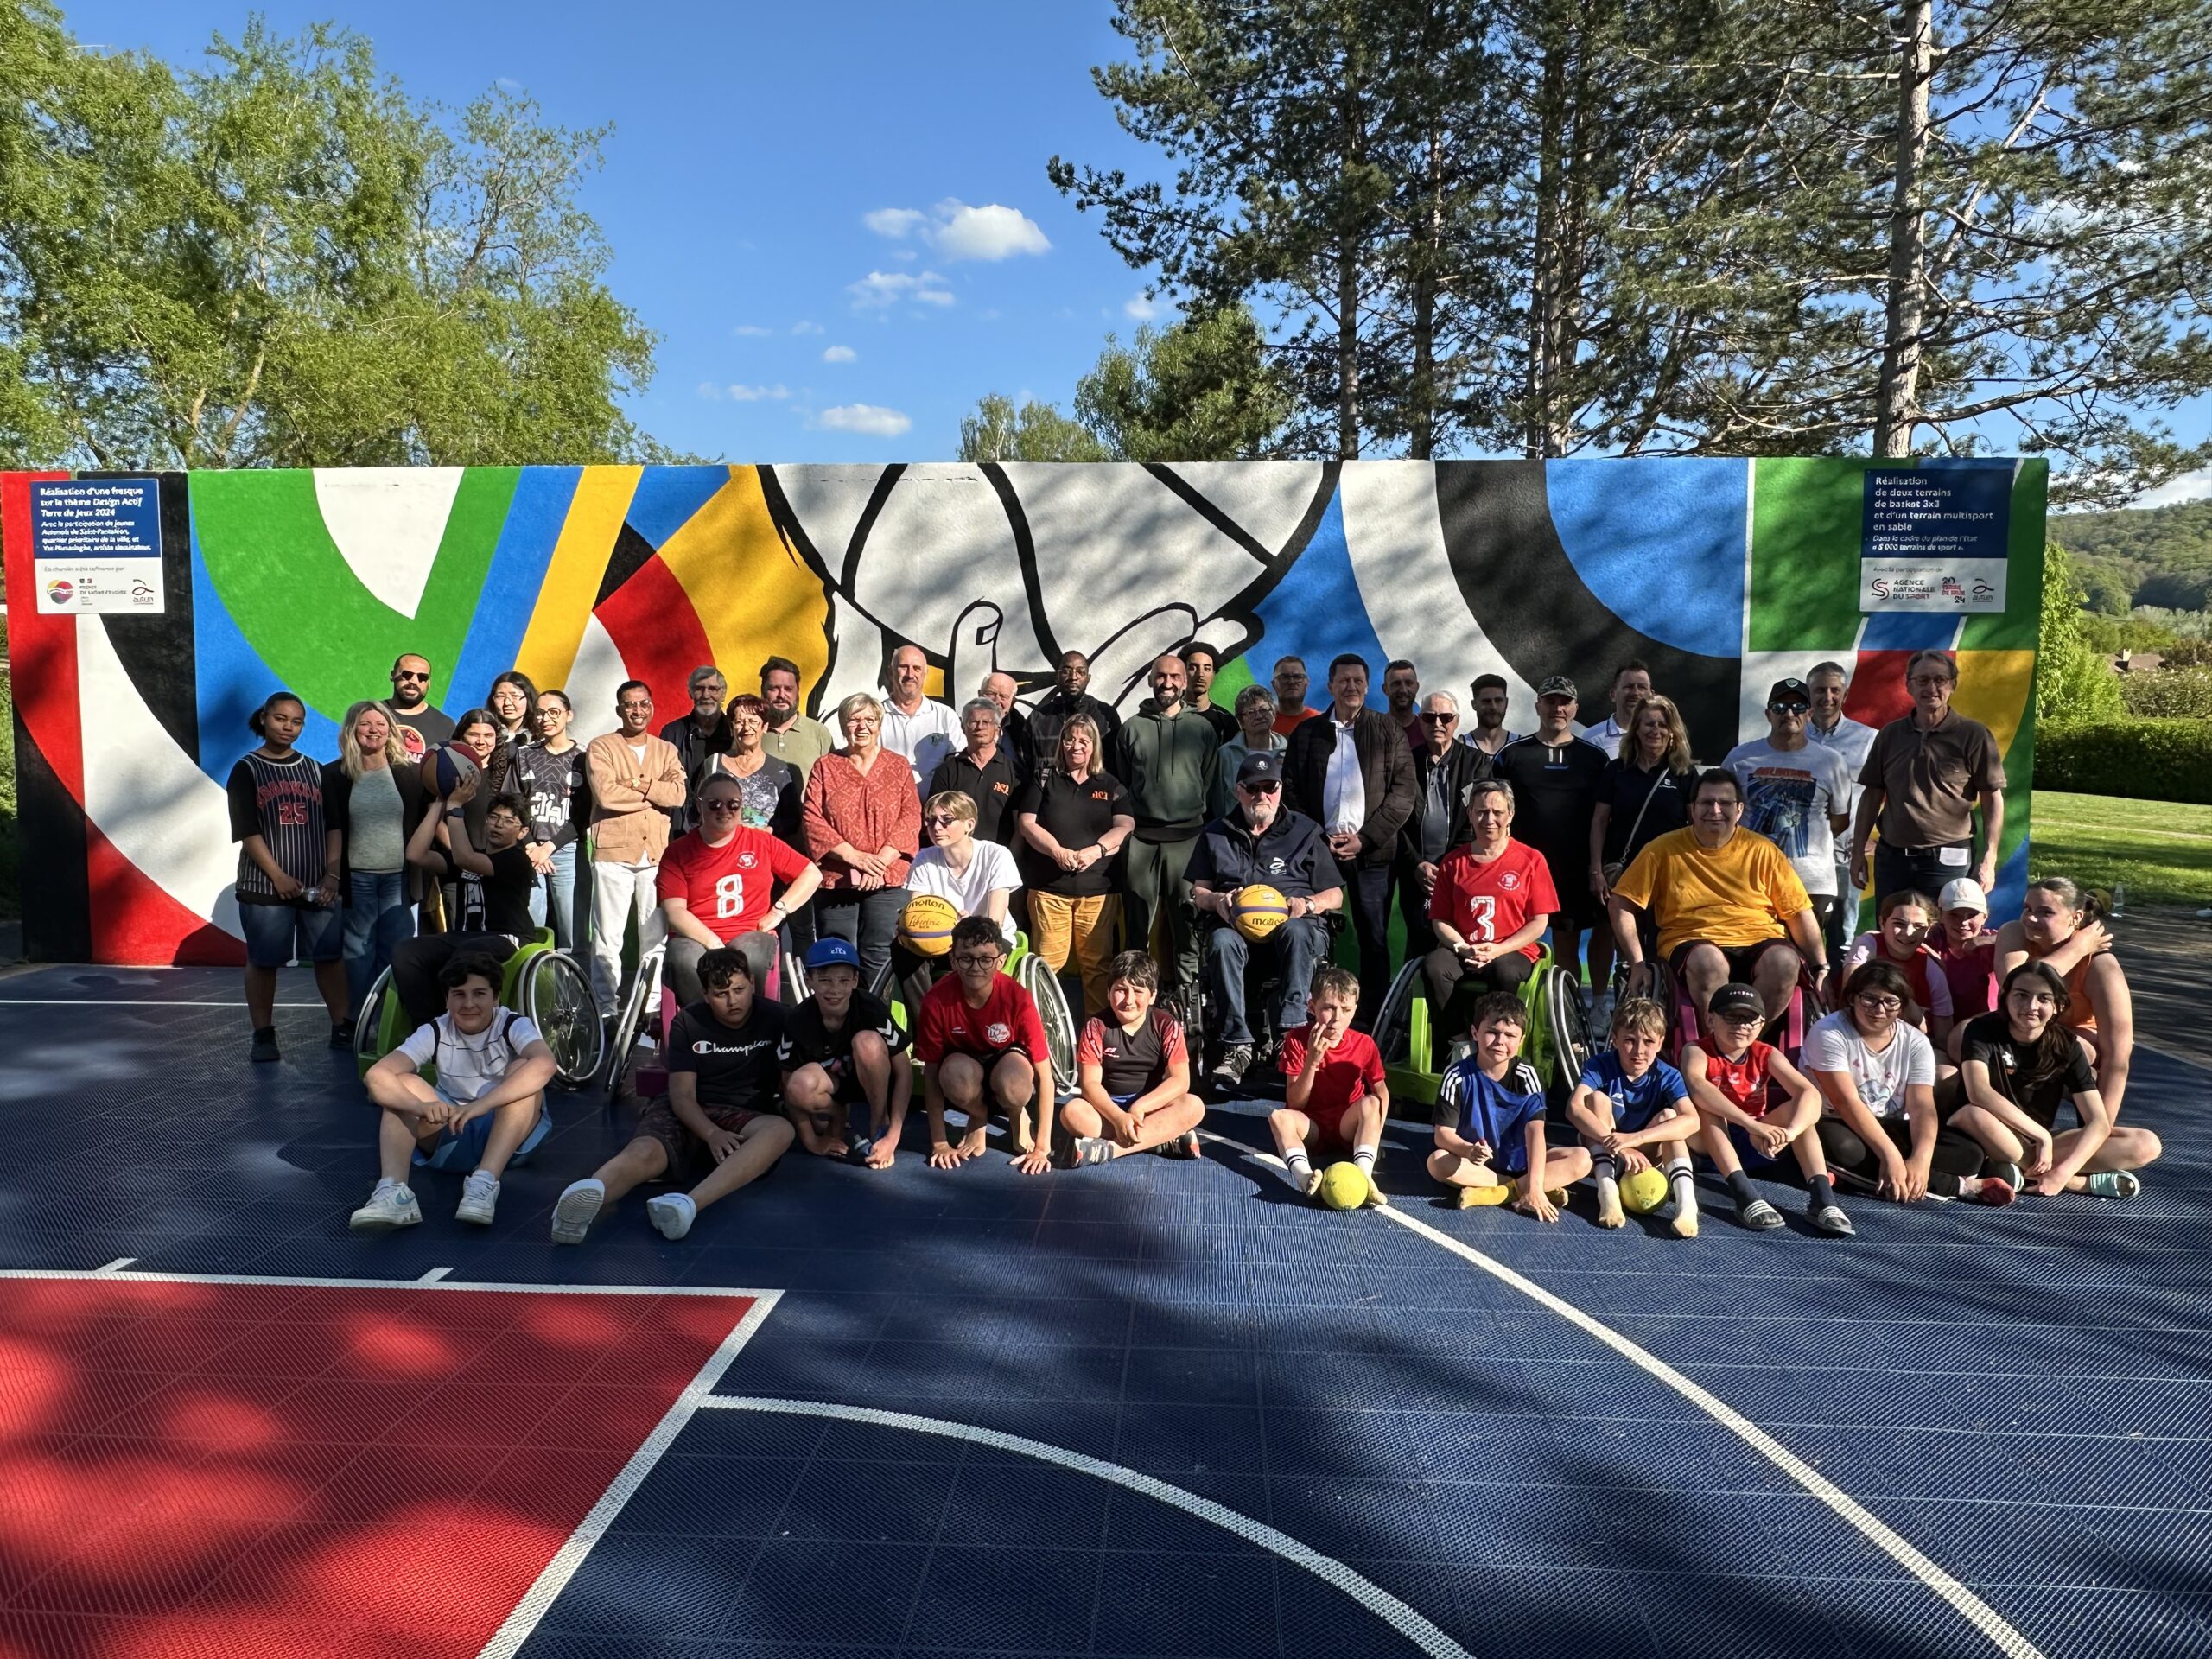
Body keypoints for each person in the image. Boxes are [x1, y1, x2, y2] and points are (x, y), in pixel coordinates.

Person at [550, 945, 796, 1245]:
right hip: (689, 1107)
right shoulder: (688, 1022)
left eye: (740, 990)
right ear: (705, 994)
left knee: (780, 1130)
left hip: (742, 1114)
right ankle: (584, 1199)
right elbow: (681, 1096)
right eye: (721, 994)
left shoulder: (780, 1017)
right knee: (643, 1152)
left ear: (753, 985)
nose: (733, 1001)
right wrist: (712, 1134)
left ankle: (687, 1206)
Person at [350, 952, 556, 1233]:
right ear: (447, 1000)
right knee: (403, 1083)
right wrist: (419, 1107)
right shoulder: (435, 1030)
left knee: (525, 1068)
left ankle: (485, 1181)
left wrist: (483, 1104)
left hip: (509, 1141)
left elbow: (546, 1064)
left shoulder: (512, 1024)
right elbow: (376, 1077)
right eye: (458, 994)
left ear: (496, 998)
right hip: (451, 1136)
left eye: (479, 993)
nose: (469, 1003)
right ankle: (394, 1193)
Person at [1608, 769, 1827, 1025]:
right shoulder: (1661, 850)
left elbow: (1798, 912)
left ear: (1740, 810)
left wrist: (1820, 967)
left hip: (1758, 938)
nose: (1715, 810)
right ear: (1692, 809)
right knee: (1707, 961)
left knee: (1785, 962)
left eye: (1725, 803)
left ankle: (1748, 1042)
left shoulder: (1763, 850)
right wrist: (1637, 964)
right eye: (1706, 802)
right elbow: (1620, 904)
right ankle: (1716, 1044)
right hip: (1692, 941)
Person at [1940, 962, 2162, 1199]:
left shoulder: (2067, 1045)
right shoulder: (1982, 1030)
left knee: (2146, 1143)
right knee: (1973, 1114)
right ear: (2005, 998)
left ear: (2057, 1005)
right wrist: (2043, 1137)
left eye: (2043, 999)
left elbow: (2098, 1122)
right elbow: (1979, 1092)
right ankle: (2080, 1184)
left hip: (2037, 1145)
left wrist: (2063, 1173)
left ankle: (2022, 1171)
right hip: (1990, 1129)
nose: (2031, 1006)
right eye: (2022, 996)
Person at [1186, 751, 1344, 1085]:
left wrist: (1308, 904)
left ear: (1280, 789)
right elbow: (1197, 893)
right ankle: (1237, 1044)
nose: (1262, 796)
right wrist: (1216, 901)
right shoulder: (1216, 832)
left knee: (1296, 931)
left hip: (1294, 926)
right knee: (1220, 940)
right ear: (1238, 791)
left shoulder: (1305, 830)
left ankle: (1292, 1032)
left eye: (1269, 787)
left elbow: (1335, 895)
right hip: (1237, 928)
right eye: (1253, 788)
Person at [1803, 959, 2005, 1205]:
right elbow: (1846, 1102)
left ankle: (1872, 1175)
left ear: (1902, 1006)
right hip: (1839, 1121)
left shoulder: (1915, 1042)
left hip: (1893, 1124)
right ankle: (1956, 1186)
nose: (1879, 1010)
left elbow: (1922, 1106)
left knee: (1969, 1154)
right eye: (1870, 999)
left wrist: (1921, 1158)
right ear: (1852, 998)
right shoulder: (1829, 1033)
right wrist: (1890, 1156)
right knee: (1841, 1148)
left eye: (1890, 1002)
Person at [1285, 653, 1414, 1024]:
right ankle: (1312, 1016)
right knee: (1313, 931)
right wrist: (1316, 839)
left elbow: (1403, 793)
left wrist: (1366, 838)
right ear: (1330, 686)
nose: (1351, 687)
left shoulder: (1388, 730)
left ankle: (1374, 1019)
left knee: (1373, 938)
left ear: (1368, 686)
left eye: (1358, 681)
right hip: (1318, 855)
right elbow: (1291, 791)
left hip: (1372, 855)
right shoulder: (1308, 733)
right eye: (1344, 681)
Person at [229, 691, 350, 1060]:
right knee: (265, 962)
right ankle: (263, 1035)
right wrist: (278, 876)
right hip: (265, 886)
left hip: (317, 886)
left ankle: (342, 1027)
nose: (289, 727)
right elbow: (248, 832)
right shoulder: (246, 769)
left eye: (297, 721)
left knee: (329, 957)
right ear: (265, 718)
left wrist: (332, 875)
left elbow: (334, 826)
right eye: (281, 719)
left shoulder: (316, 770)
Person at [1681, 982, 1853, 1236]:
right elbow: (1696, 1085)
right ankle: (1743, 1193)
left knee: (1802, 1112)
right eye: (1731, 1017)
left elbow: (1810, 1094)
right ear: (1710, 1019)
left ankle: (1822, 1199)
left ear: (1761, 1025)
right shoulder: (1696, 1050)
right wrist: (1751, 1123)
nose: (1741, 1025)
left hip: (1754, 1139)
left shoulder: (1767, 1053)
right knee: (1706, 1107)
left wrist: (1790, 1133)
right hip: (1708, 1143)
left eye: (1750, 1019)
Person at [1850, 649, 2006, 902]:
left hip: (1949, 860)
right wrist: (1858, 852)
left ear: (1953, 685)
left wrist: (1989, 858)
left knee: (1943, 935)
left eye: (1940, 680)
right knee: (1892, 933)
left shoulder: (1974, 736)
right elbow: (1872, 794)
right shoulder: (1890, 735)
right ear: (1909, 686)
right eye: (1922, 680)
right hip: (1893, 860)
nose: (1931, 688)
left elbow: (1992, 798)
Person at [657, 772, 822, 1009]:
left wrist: (778, 911)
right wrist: (713, 944)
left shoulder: (761, 842)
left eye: (733, 804)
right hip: (697, 936)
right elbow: (675, 912)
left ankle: (755, 1028)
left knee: (752, 954)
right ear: (699, 805)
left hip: (750, 932)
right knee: (683, 958)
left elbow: (811, 874)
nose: (724, 810)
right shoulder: (678, 852)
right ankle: (701, 1026)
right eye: (714, 804)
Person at [389, 781, 538, 1027]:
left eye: (509, 821)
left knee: (468, 953)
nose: (499, 825)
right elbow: (415, 854)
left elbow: (464, 857)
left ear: (522, 833)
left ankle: (468, 1025)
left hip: (508, 937)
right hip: (464, 936)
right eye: (493, 817)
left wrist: (455, 807)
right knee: (406, 951)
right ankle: (430, 1028)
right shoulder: (471, 857)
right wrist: (438, 806)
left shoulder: (517, 860)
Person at [1427, 992, 1590, 1216]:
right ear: (1475, 1033)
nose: (1500, 1042)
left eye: (1510, 1035)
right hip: (1478, 1165)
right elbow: (1442, 1134)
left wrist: (1534, 1185)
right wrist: (1468, 1149)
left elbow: (1535, 1133)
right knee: (1437, 1162)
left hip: (1522, 1163)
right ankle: (1522, 1189)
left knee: (1582, 1159)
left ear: (1521, 1040)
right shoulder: (1457, 1076)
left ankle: (1505, 1192)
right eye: (1492, 1033)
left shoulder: (1527, 1076)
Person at [1015, 715, 1135, 1019]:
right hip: (1049, 890)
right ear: (1061, 744)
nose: (1076, 746)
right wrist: (1056, 851)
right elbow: (1027, 823)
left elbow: (1125, 825)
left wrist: (1097, 850)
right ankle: (1042, 1035)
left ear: (1094, 746)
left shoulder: (1110, 784)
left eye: (1084, 740)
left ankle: (1096, 1035)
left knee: (1097, 966)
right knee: (1047, 965)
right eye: (1070, 739)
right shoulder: (1044, 778)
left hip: (1098, 892)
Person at [1492, 677, 1609, 985]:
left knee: (1566, 947)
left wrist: (1596, 867)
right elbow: (1493, 812)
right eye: (1550, 701)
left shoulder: (1595, 758)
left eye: (1565, 702)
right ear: (1538, 705)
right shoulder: (1511, 755)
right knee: (1513, 944)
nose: (1558, 708)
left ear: (1575, 708)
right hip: (1520, 870)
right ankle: (1515, 1012)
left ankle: (1569, 1012)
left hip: (1572, 869)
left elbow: (1603, 817)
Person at [1588, 693, 1697, 1020]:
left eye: (1663, 725)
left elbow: (1696, 827)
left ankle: (1658, 1011)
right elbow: (1599, 821)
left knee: (1657, 943)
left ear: (1673, 732)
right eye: (1648, 723)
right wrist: (1595, 868)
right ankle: (1601, 1005)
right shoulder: (1616, 770)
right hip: (1622, 872)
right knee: (1611, 936)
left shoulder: (1685, 774)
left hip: (1668, 875)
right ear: (1636, 729)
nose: (1655, 730)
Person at [1116, 653, 1220, 996]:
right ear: (1150, 679)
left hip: (1188, 839)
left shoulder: (1203, 729)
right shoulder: (1131, 728)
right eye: (1161, 676)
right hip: (1142, 839)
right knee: (1136, 926)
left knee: (1186, 925)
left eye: (1175, 676)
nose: (1168, 683)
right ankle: (1135, 995)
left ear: (1185, 681)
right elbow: (1122, 782)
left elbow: (1209, 782)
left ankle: (1190, 1002)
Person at [918, 917, 1055, 1174]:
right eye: (966, 958)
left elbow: (1046, 1077)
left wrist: (1042, 1148)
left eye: (985, 959)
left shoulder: (1018, 998)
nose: (976, 967)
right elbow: (932, 1074)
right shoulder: (936, 1001)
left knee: (1015, 1085)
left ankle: (1017, 1114)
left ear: (1000, 962)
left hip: (1007, 1059)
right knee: (952, 1074)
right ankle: (979, 1114)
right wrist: (939, 1143)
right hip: (964, 1062)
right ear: (953, 961)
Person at [802, 692, 921, 988]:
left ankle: (874, 1022)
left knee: (879, 953)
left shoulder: (898, 766)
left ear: (880, 724)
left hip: (887, 877)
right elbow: (811, 818)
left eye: (869, 719)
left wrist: (878, 863)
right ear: (843, 726)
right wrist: (855, 858)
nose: (862, 726)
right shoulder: (825, 766)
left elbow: (911, 816)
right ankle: (838, 1026)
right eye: (853, 720)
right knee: (837, 955)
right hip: (838, 877)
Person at [1724, 677, 1853, 947]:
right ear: (1768, 714)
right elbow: (1721, 810)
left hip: (1812, 883)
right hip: (1751, 879)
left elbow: (1839, 820)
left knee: (1807, 962)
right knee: (1757, 956)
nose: (1789, 714)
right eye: (1780, 707)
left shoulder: (1831, 762)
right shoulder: (1740, 758)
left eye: (1798, 707)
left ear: (1810, 713)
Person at [586, 683, 690, 1018]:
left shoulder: (666, 750)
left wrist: (638, 784)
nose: (637, 710)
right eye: (629, 705)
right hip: (613, 852)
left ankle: (652, 1006)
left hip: (657, 854)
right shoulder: (602, 747)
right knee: (608, 938)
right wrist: (654, 793)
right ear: (619, 710)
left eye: (643, 703)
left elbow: (677, 796)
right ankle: (606, 1008)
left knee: (654, 935)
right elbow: (606, 796)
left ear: (652, 707)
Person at [1421, 779, 1556, 1034]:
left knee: (1503, 968)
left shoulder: (1531, 860)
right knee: (1434, 966)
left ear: (1511, 815)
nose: (1489, 819)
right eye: (1481, 812)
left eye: (1497, 812)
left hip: (1512, 951)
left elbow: (1539, 921)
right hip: (1465, 948)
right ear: (1470, 815)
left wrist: (1498, 950)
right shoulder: (1453, 863)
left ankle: (1500, 1038)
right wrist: (1462, 947)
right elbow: (1440, 919)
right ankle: (1455, 1040)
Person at [1995, 876, 2134, 1119]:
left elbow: (2118, 1054)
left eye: (2045, 912)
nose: (2030, 918)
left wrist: (2102, 1126)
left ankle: (2065, 1118)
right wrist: (2077, 947)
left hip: (2073, 1046)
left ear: (2076, 917)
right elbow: (2014, 986)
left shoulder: (2101, 967)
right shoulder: (2014, 933)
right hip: (2020, 1032)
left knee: (2064, 1048)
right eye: (2027, 909)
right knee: (1961, 1037)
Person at [1565, 996, 1699, 1235]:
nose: (1639, 1051)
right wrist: (1620, 1145)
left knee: (1671, 1116)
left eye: (1648, 1041)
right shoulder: (1600, 1065)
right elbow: (1573, 1107)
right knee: (1596, 1100)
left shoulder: (1668, 1074)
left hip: (1645, 1153)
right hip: (1607, 1149)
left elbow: (1692, 1120)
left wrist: (1635, 1139)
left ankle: (1687, 1206)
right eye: (1629, 1040)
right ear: (1614, 1039)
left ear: (1660, 1043)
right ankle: (1607, 1192)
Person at [1059, 950, 1207, 1166]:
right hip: (1108, 1110)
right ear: (1108, 992)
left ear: (1153, 995)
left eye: (1138, 991)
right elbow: (1090, 1084)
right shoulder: (1096, 1026)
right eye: (1120, 990)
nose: (1129, 1000)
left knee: (1194, 1106)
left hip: (1151, 1108)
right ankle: (1158, 1140)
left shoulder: (1166, 1025)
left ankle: (1111, 1150)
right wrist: (1118, 1117)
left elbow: (1180, 1081)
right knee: (1072, 1113)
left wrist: (1141, 1107)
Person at [326, 700, 424, 1022]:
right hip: (358, 880)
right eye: (366, 724)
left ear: (391, 730)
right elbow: (332, 828)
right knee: (357, 953)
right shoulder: (335, 775)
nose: (373, 730)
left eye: (380, 724)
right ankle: (357, 1022)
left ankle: (390, 1021)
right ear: (352, 730)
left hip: (397, 878)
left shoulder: (409, 774)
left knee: (396, 951)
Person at [779, 935, 912, 1166]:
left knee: (867, 1042)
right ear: (809, 980)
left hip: (873, 1080)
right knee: (799, 1083)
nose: (835, 990)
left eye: (843, 980)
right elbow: (787, 1082)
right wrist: (811, 1141)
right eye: (825, 980)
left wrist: (893, 1134)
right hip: (834, 1086)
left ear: (854, 980)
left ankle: (879, 1122)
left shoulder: (871, 1008)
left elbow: (904, 1070)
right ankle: (837, 1113)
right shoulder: (797, 1021)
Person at [1269, 965, 1389, 1206]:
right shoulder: (1296, 1039)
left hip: (1347, 1124)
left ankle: (1364, 1174)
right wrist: (1312, 1061)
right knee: (1278, 1117)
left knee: (1371, 1103)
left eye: (1346, 1010)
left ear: (1354, 1010)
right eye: (1329, 1008)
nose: (1337, 1019)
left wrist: (1374, 1130)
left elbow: (1381, 1093)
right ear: (1312, 1007)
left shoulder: (1364, 1044)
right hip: (1311, 1126)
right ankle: (1305, 1178)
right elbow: (1295, 1102)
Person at [1396, 691, 1490, 963]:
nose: (1437, 723)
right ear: (1420, 721)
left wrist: (1447, 867)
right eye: (1429, 717)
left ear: (1456, 722)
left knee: (1457, 944)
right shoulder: (1404, 763)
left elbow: (1478, 821)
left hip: (1461, 872)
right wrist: (1417, 864)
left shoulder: (1478, 764)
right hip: (1415, 872)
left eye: (1445, 717)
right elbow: (1395, 818)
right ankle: (1411, 1003)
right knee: (1418, 944)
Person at [1804, 659, 1878, 959]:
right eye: (1820, 690)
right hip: (1802, 855)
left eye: (1835, 690)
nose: (1828, 697)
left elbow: (1889, 792)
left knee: (1843, 936)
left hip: (1846, 852)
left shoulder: (1869, 739)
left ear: (1845, 695)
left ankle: (1840, 998)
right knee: (1798, 931)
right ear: (1809, 694)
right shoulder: (1792, 739)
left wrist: (1877, 838)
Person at [518, 690, 590, 947]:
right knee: (531, 930)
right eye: (539, 712)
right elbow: (514, 804)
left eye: (554, 712)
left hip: (566, 850)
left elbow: (584, 814)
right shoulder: (525, 754)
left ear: (569, 715)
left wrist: (548, 848)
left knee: (573, 931)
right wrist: (530, 846)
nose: (545, 718)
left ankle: (573, 986)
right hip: (529, 850)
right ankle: (534, 984)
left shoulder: (583, 757)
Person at [1841, 889, 1955, 1047]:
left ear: (1928, 930)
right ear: (1882, 923)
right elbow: (1849, 992)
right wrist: (1907, 1005)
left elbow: (1943, 1037)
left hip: (1909, 1046)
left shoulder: (1932, 969)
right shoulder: (1868, 945)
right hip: (1857, 1038)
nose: (1908, 933)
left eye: (1919, 926)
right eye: (1899, 924)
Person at [906, 790, 1020, 947]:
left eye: (947, 820)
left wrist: (970, 926)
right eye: (931, 821)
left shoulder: (996, 855)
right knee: (905, 948)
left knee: (978, 951)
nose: (937, 827)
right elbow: (918, 911)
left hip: (990, 936)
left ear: (970, 824)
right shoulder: (924, 858)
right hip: (941, 936)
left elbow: (995, 923)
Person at [424, 707, 500, 930]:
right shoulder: (442, 770)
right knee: (462, 933)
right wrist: (463, 857)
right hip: (457, 869)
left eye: (488, 735)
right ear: (460, 736)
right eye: (474, 735)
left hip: (495, 867)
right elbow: (436, 819)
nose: (481, 741)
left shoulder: (507, 770)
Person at [927, 699, 1021, 845]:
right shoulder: (946, 771)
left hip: (1000, 859)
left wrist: (1010, 859)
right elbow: (935, 820)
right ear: (963, 728)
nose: (980, 727)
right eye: (973, 722)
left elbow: (1021, 827)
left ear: (997, 728)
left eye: (986, 722)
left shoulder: (1015, 772)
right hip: (955, 858)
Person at [711, 694, 802, 842]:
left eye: (753, 721)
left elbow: (792, 819)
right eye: (739, 722)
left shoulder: (781, 769)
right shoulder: (714, 764)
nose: (746, 728)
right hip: (722, 849)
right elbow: (696, 811)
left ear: (764, 727)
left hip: (765, 848)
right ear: (731, 727)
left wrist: (768, 831)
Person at [872, 644, 962, 793]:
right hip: (888, 809)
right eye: (903, 667)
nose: (910, 674)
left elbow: (957, 764)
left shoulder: (945, 715)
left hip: (934, 812)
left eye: (917, 668)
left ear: (926, 674)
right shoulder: (874, 716)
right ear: (890, 672)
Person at [656, 665, 731, 839]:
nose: (706, 695)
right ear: (690, 693)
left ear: (723, 694)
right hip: (681, 828)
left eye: (713, 689)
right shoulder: (671, 733)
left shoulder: (735, 733)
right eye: (699, 689)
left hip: (724, 826)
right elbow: (663, 782)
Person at [1025, 650, 1122, 776]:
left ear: (1088, 678)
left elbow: (1116, 767)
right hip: (1046, 792)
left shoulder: (1106, 716)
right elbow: (1025, 767)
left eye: (1080, 672)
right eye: (1066, 671)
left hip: (1092, 792)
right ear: (1057, 677)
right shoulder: (1039, 718)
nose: (1073, 677)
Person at [1933, 877, 2001, 1043]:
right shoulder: (1932, 942)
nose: (1963, 922)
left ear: (1985, 916)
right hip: (1939, 1031)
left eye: (1972, 915)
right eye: (1954, 915)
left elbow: (2028, 938)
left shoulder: (1995, 943)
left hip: (1985, 1031)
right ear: (1940, 915)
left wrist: (1982, 941)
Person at [759, 655, 835, 785]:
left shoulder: (819, 733)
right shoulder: (751, 732)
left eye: (788, 689)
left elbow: (833, 783)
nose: (781, 695)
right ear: (763, 691)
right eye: (774, 689)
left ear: (798, 691)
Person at [1214, 684, 1287, 817]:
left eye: (1264, 710)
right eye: (1251, 712)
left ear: (1274, 714)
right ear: (1241, 722)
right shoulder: (1226, 754)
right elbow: (1218, 799)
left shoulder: (1288, 752)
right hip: (1235, 827)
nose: (1259, 716)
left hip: (1278, 827)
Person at [385, 653, 454, 765]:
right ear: (393, 675)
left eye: (422, 677)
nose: (414, 681)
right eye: (407, 674)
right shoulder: (370, 713)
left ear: (428, 683)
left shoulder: (445, 726)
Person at [484, 671, 540, 799]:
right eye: (501, 696)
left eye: (514, 696)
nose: (507, 703)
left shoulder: (539, 738)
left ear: (528, 698)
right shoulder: (485, 734)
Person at [1581, 661, 1653, 751]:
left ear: (1651, 696)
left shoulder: (1661, 738)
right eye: (1629, 687)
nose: (1636, 693)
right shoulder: (1591, 738)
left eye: (1642, 687)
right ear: (1613, 694)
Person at [1179, 641, 1240, 743]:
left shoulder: (1226, 721)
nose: (1200, 675)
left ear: (1213, 675)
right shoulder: (1168, 714)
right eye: (1193, 668)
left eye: (1207, 668)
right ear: (1183, 672)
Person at [978, 670, 1033, 773]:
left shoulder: (1024, 731)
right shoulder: (963, 728)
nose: (996, 701)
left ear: (1012, 703)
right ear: (979, 695)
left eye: (1003, 697)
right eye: (990, 694)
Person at [1461, 673, 1521, 758]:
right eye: (1486, 701)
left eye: (1498, 700)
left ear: (1506, 703)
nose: (1493, 707)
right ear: (1474, 704)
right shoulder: (1461, 748)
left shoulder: (1520, 746)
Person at [1269, 656, 1317, 736]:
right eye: (1284, 677)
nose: (1291, 682)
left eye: (1298, 677)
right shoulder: (1263, 722)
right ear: (1274, 684)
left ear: (1307, 682)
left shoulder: (1320, 722)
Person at [1382, 659, 1423, 747]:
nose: (1403, 690)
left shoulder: (1428, 731)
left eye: (1409, 683)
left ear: (1417, 687)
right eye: (1396, 684)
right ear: (1385, 689)